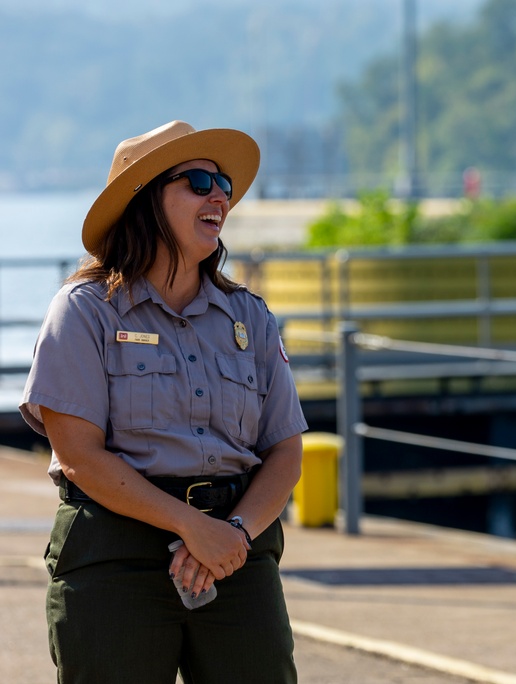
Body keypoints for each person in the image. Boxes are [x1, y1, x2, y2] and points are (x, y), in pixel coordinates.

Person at [20, 120, 307, 683]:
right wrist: (190, 527)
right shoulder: (84, 312)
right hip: (114, 558)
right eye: (198, 180)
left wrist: (232, 534)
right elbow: (78, 455)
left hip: (235, 556)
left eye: (222, 181)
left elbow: (285, 451)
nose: (220, 194)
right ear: (145, 201)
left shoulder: (250, 317)